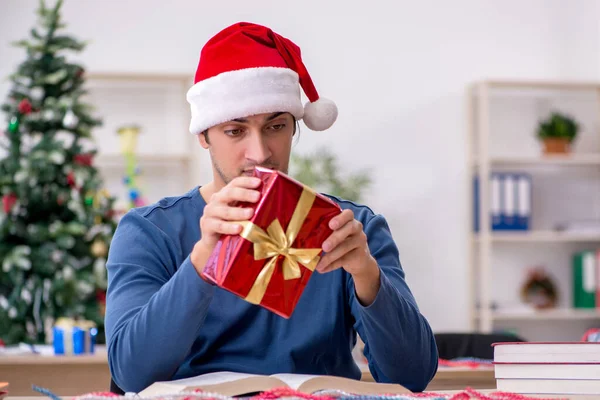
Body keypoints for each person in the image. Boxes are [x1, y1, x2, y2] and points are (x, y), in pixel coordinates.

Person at [104, 22, 438, 395]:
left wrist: (365, 274)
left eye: (276, 126)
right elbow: (130, 375)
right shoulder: (150, 231)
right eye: (235, 131)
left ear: (294, 127)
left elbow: (414, 376)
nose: (260, 153)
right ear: (203, 134)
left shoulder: (352, 229)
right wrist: (201, 263)